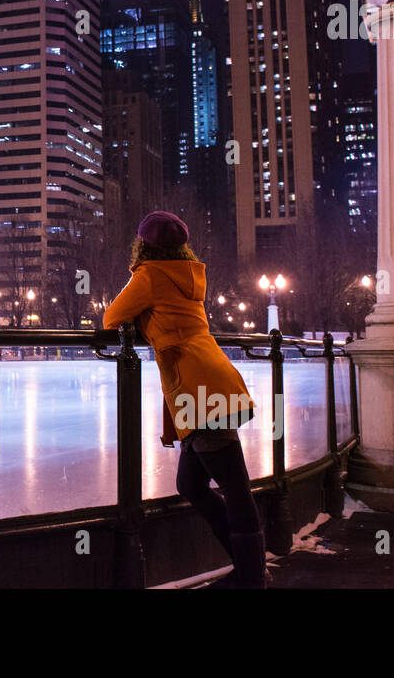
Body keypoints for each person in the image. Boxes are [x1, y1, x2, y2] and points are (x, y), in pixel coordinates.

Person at [102, 211, 269, 589]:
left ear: (143, 244)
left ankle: (252, 578)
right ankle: (248, 569)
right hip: (213, 375)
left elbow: (111, 316)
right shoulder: (189, 274)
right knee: (190, 485)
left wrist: (140, 319)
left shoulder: (149, 275)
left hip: (198, 388)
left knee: (236, 491)